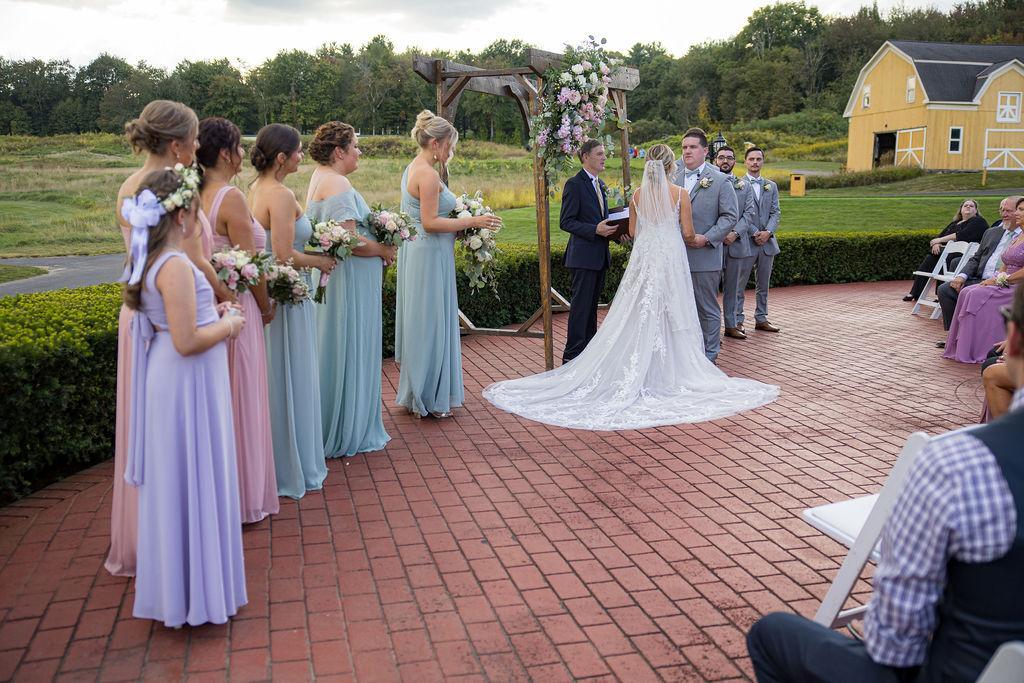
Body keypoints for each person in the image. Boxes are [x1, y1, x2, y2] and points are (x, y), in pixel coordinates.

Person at [747, 284, 1024, 683]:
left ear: (1012, 339)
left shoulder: (960, 462)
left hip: (960, 672)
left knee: (771, 633)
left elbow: (894, 644)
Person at [482, 145, 778, 430]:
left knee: (638, 310)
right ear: (670, 167)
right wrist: (696, 239)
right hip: (670, 259)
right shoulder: (680, 194)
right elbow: (688, 234)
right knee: (672, 310)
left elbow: (634, 231)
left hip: (646, 259)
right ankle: (669, 369)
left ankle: (634, 365)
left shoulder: (638, 195)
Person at [121, 167, 247, 628]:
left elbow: (181, 321)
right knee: (191, 473)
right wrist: (229, 324)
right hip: (185, 378)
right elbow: (187, 340)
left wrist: (213, 310)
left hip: (180, 377)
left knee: (188, 475)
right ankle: (193, 594)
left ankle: (189, 587)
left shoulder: (158, 259)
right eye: (196, 208)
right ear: (181, 215)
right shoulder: (172, 265)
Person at [108, 99, 200, 578]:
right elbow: (188, 257)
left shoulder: (128, 184)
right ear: (176, 145)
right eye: (194, 139)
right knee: (170, 427)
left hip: (137, 309)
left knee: (143, 423)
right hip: (167, 313)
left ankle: (144, 531)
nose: (197, 148)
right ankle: (173, 535)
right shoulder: (173, 186)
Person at [197, 116, 279, 524]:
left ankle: (215, 492)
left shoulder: (193, 193)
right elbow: (254, 267)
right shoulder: (230, 197)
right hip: (237, 307)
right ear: (226, 154)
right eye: (239, 147)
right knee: (243, 398)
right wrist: (265, 307)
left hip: (206, 306)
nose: (244, 153)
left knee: (219, 401)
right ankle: (244, 495)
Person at [395, 110, 500, 417]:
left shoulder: (414, 167)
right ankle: (428, 396)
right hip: (428, 254)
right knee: (430, 322)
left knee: (424, 320)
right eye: (450, 145)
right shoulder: (427, 174)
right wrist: (473, 221)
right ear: (436, 143)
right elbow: (429, 222)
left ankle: (419, 391)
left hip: (425, 253)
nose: (451, 151)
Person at [249, 124, 333, 498]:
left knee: (277, 375)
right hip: (289, 295)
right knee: (292, 373)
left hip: (273, 291)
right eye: (298, 150)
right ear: (282, 158)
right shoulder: (280, 195)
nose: (302, 155)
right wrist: (321, 261)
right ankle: (293, 463)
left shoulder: (255, 188)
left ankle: (277, 458)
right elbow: (284, 256)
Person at [306, 121, 392, 455]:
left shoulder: (319, 176)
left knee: (334, 344)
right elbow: (350, 240)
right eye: (355, 146)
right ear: (339, 151)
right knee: (349, 343)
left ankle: (334, 418)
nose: (359, 152)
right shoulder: (337, 182)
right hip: (349, 281)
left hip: (338, 278)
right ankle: (347, 426)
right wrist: (383, 249)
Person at [671, 128, 738, 363]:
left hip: (704, 256)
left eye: (693, 147)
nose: (687, 151)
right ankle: (685, 356)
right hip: (674, 256)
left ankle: (709, 357)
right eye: (684, 147)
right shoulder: (673, 176)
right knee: (678, 309)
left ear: (705, 150)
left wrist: (708, 238)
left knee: (706, 308)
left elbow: (730, 216)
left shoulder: (720, 179)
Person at [945, 197, 1024, 363]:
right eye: (1017, 209)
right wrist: (996, 278)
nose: (1016, 213)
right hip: (1003, 281)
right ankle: (962, 345)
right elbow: (1005, 263)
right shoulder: (1016, 236)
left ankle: (982, 348)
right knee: (966, 292)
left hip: (1017, 286)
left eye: (1020, 210)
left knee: (975, 295)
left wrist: (1002, 280)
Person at [559, 139, 616, 363]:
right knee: (581, 310)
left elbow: (602, 221)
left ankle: (588, 359)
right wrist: (595, 230)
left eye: (604, 153)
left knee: (591, 311)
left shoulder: (600, 184)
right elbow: (566, 221)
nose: (604, 157)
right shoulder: (575, 184)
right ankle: (571, 358)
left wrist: (618, 232)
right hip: (582, 258)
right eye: (599, 153)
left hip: (599, 257)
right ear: (585, 157)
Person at [733, 147, 782, 334]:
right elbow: (738, 214)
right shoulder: (737, 185)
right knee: (740, 284)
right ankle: (737, 319)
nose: (755, 162)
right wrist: (755, 232)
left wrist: (768, 232)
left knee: (764, 284)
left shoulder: (771, 186)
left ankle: (761, 318)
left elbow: (776, 212)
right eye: (751, 159)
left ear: (763, 161)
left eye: (758, 159)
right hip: (746, 241)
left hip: (767, 243)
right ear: (745, 162)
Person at [903, 198, 988, 302]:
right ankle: (915, 292)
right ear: (961, 209)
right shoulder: (955, 223)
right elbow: (940, 236)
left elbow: (961, 235)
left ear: (976, 210)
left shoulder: (978, 221)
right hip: (947, 252)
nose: (968, 207)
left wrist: (940, 240)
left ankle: (940, 295)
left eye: (971, 206)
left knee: (947, 258)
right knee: (931, 257)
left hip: (965, 255)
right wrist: (937, 243)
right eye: (965, 205)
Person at [714, 145, 757, 340]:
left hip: (736, 243)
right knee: (711, 289)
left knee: (733, 288)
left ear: (734, 161)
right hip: (714, 244)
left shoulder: (744, 185)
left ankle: (731, 325)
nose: (725, 161)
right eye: (721, 157)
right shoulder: (710, 183)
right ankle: (711, 329)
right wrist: (719, 233)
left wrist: (735, 233)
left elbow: (749, 214)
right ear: (715, 160)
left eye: (729, 158)